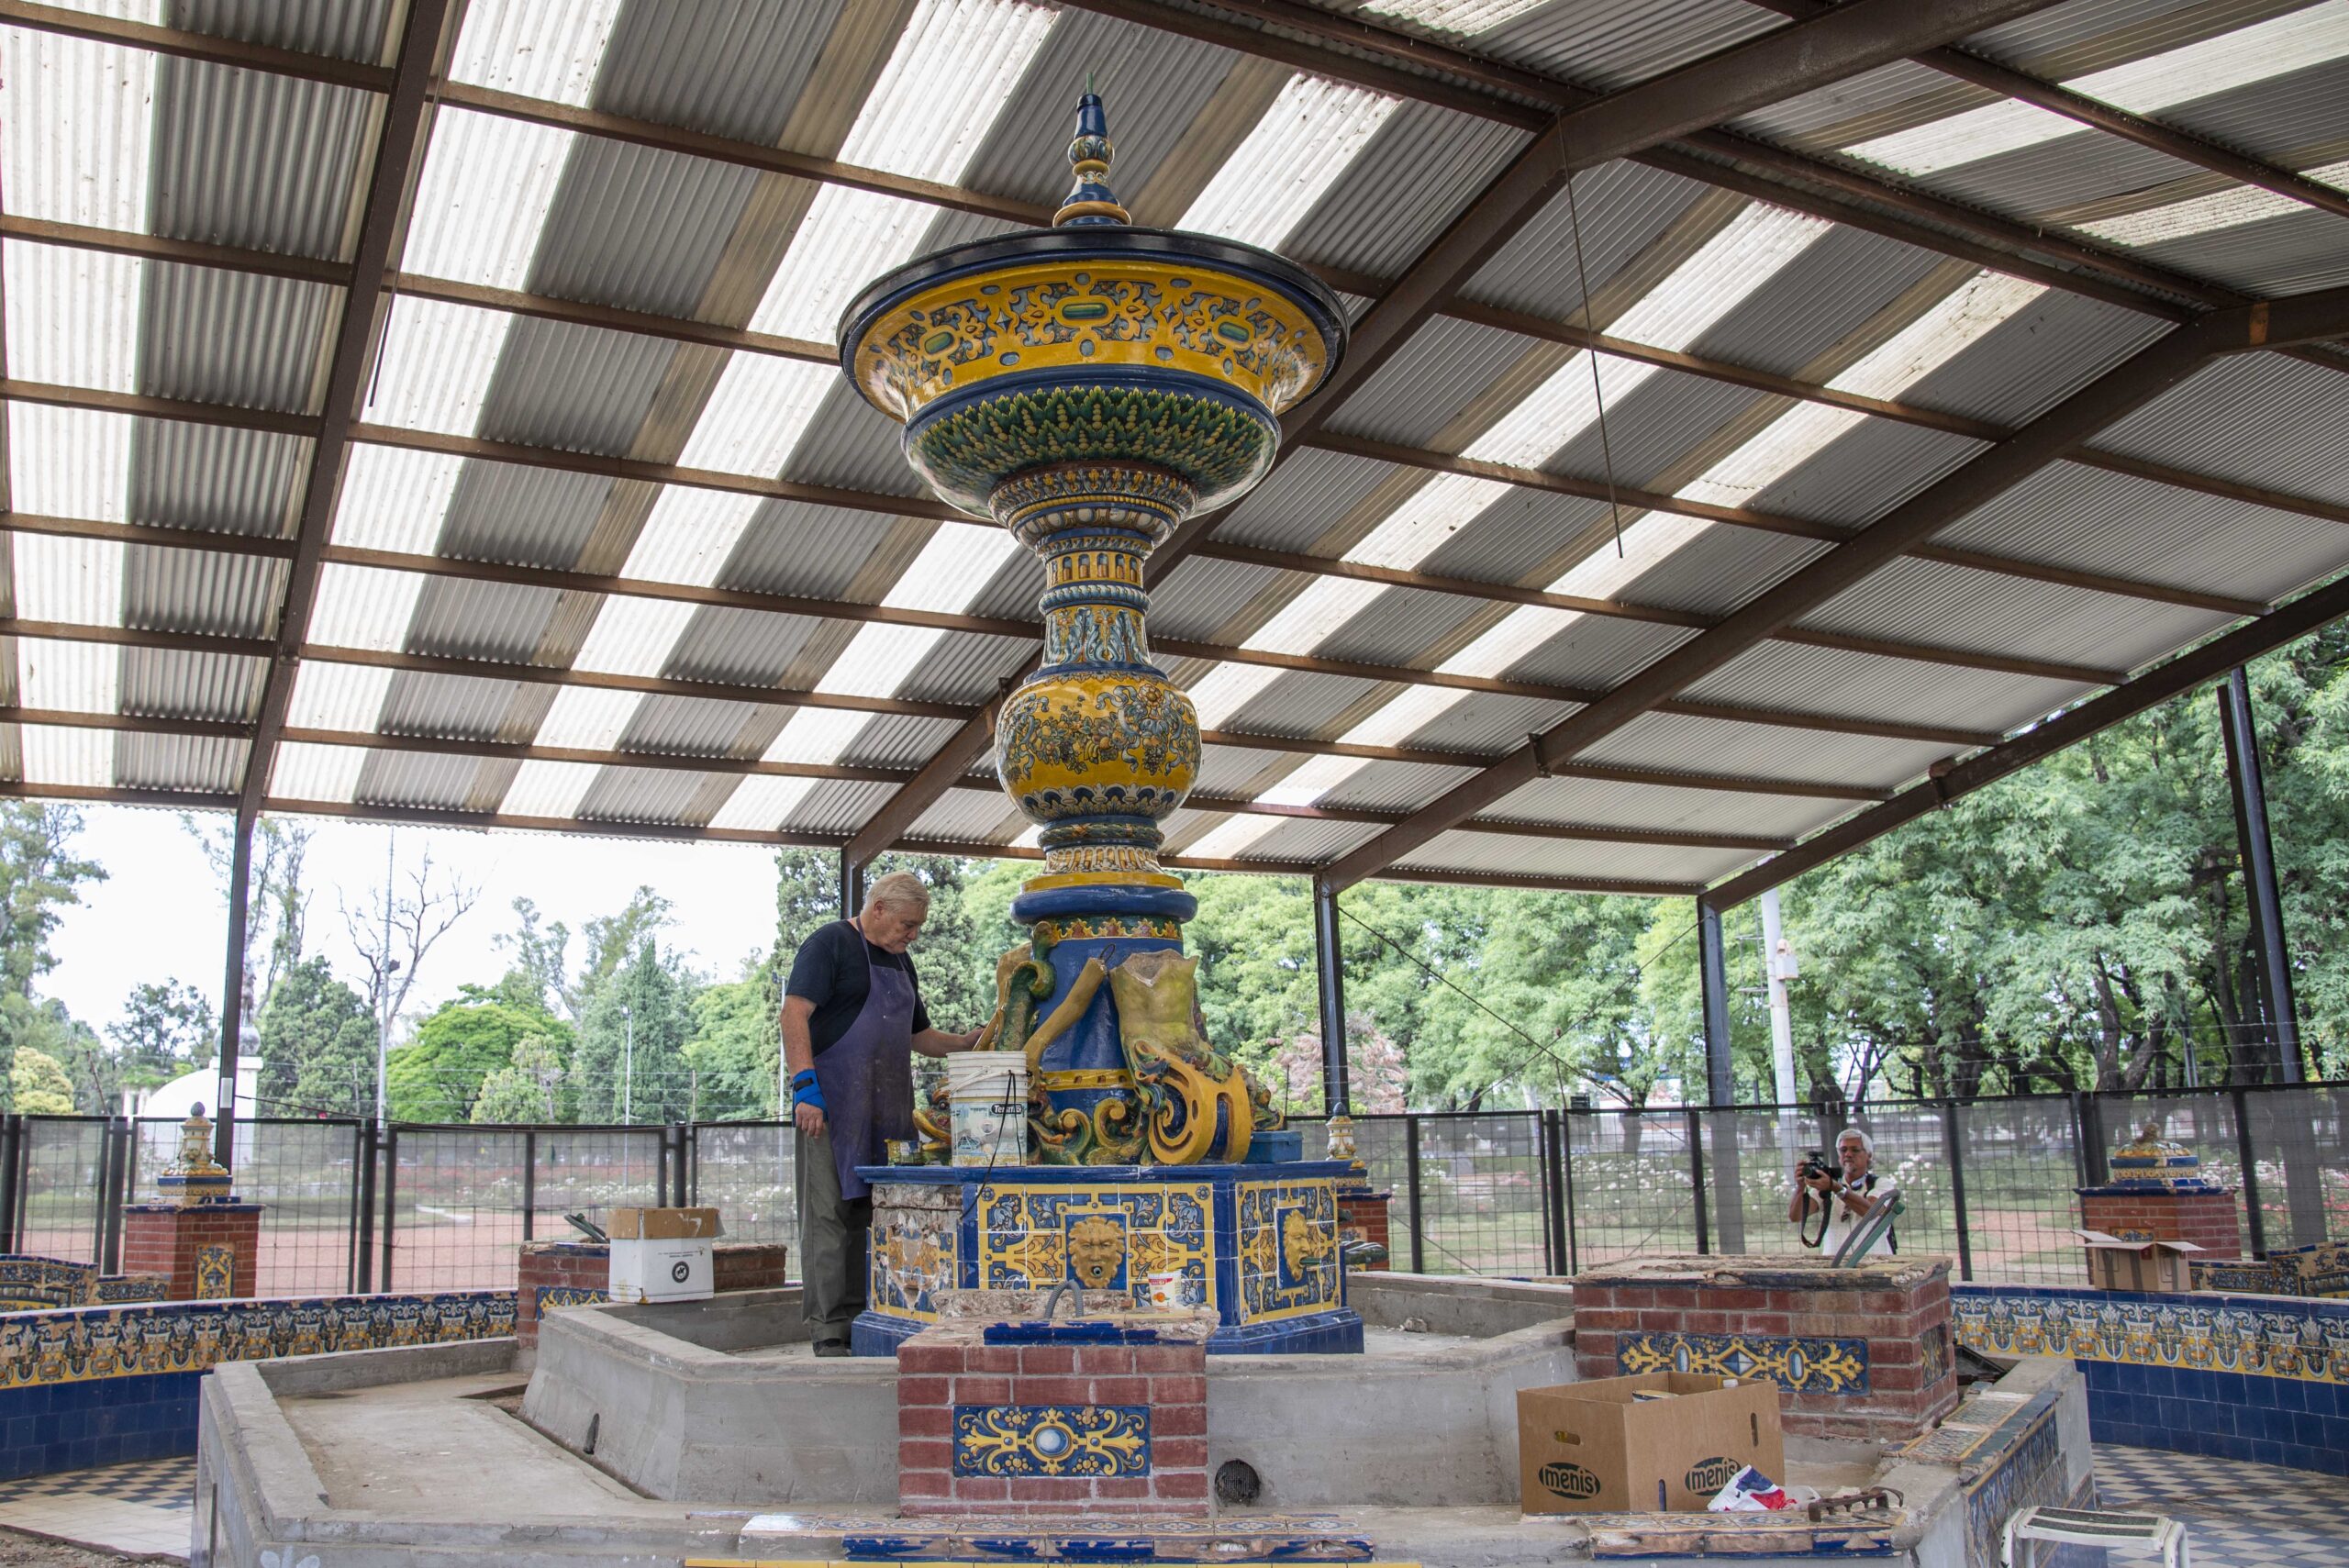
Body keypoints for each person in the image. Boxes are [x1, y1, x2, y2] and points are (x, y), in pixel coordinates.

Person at [783, 872, 980, 1354]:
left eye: (918, 927)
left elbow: (919, 1037)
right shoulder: (829, 944)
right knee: (829, 1217)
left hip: (889, 1110)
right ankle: (830, 1329)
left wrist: (966, 1042)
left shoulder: (901, 962)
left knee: (878, 1214)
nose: (913, 935)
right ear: (878, 910)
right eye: (908, 925)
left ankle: (874, 1316)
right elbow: (793, 1013)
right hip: (830, 1107)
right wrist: (805, 1087)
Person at [1787, 1127, 1894, 1259]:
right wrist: (1800, 1187)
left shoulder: (1882, 1184)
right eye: (1843, 1150)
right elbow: (1795, 1216)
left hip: (1875, 1263)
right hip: (1835, 1263)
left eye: (1855, 1150)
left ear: (1869, 1155)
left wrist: (1836, 1188)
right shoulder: (1827, 1185)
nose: (1848, 1154)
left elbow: (1871, 1212)